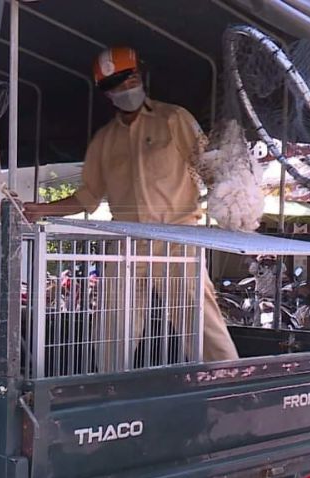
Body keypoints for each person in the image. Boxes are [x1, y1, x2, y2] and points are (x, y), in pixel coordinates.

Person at [23, 47, 239, 362]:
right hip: (126, 244)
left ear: (140, 76)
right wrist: (39, 209)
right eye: (116, 84)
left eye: (130, 78)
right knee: (112, 329)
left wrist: (234, 202)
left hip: (177, 240)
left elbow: (206, 166)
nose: (126, 88)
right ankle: (108, 390)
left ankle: (231, 386)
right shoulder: (104, 141)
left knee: (202, 325)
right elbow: (87, 197)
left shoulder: (173, 119)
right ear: (106, 93)